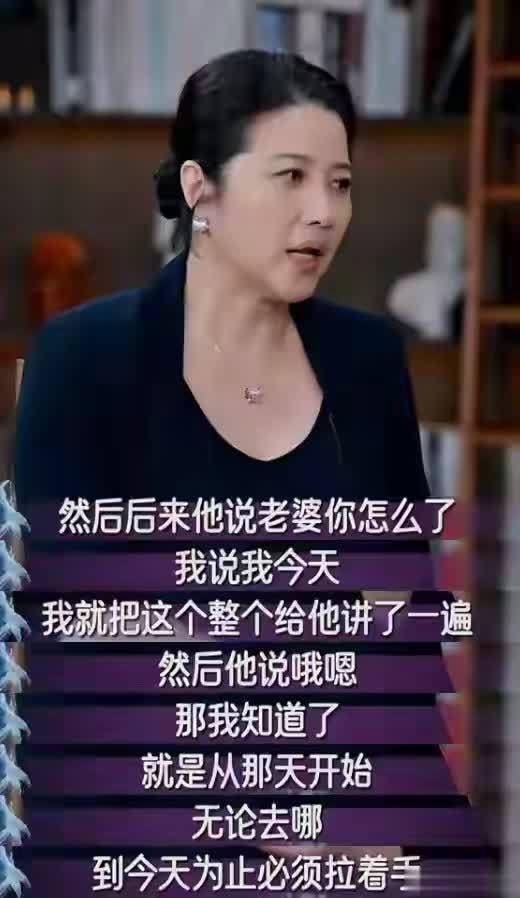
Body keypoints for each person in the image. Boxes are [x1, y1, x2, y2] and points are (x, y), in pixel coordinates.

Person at [14, 49, 429, 515]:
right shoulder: (78, 359)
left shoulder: (372, 358)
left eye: (340, 184)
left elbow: (404, 556)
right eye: (292, 175)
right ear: (199, 188)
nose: (324, 213)